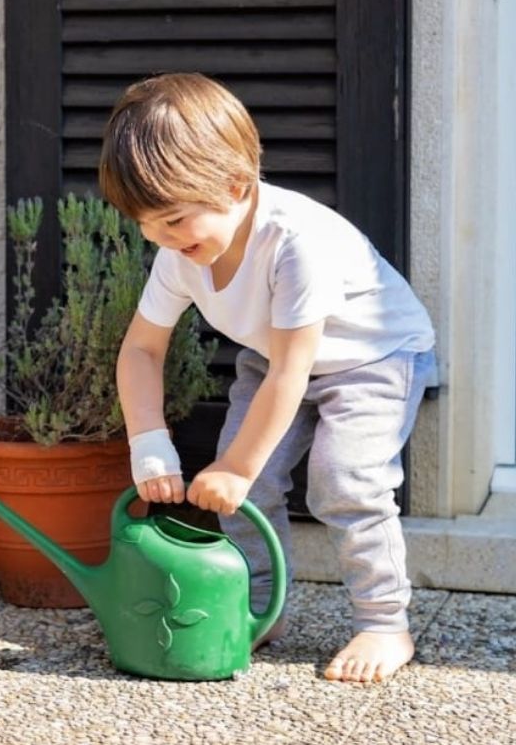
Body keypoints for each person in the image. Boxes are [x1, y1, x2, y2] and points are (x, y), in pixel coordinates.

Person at [98, 73, 436, 684]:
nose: (158, 238)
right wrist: (147, 443)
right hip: (275, 355)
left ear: (234, 184)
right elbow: (142, 350)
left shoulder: (295, 243)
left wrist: (233, 468)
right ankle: (260, 607)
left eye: (172, 220)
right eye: (144, 224)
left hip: (371, 357)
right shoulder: (178, 252)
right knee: (251, 488)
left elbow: (293, 370)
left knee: (344, 482)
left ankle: (386, 623)